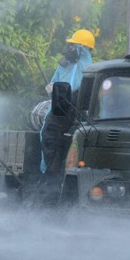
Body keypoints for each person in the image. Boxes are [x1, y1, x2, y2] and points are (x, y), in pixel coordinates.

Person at [40, 28, 96, 175]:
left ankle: (56, 174)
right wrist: (51, 88)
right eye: (70, 45)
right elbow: (54, 82)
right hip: (58, 108)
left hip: (75, 112)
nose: (69, 48)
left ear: (82, 48)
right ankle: (48, 173)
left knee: (58, 139)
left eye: (73, 45)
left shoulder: (89, 69)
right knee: (48, 135)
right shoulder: (64, 65)